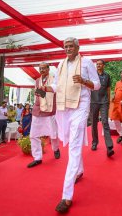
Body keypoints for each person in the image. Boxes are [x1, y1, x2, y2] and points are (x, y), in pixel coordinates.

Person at [40, 37, 100, 213]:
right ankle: (79, 170)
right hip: (65, 108)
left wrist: (83, 81)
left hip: (81, 106)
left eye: (71, 46)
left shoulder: (87, 62)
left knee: (73, 145)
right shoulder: (60, 65)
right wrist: (47, 88)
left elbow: (96, 85)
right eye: (65, 46)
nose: (68, 49)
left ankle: (67, 195)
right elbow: (57, 85)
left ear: (77, 47)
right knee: (73, 142)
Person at [27, 62, 60, 168]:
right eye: (40, 69)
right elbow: (38, 94)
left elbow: (56, 92)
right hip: (38, 109)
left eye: (44, 68)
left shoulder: (55, 79)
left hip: (50, 110)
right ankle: (37, 158)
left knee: (53, 134)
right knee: (33, 135)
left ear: (48, 69)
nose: (42, 70)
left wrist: (43, 91)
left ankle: (55, 149)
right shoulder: (37, 81)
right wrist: (38, 93)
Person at [90, 59, 114, 157]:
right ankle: (94, 142)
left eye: (100, 64)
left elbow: (108, 89)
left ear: (103, 65)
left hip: (104, 102)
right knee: (94, 123)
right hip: (93, 102)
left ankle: (109, 147)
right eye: (97, 64)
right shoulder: (92, 75)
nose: (98, 65)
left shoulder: (107, 75)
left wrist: (108, 101)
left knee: (105, 122)